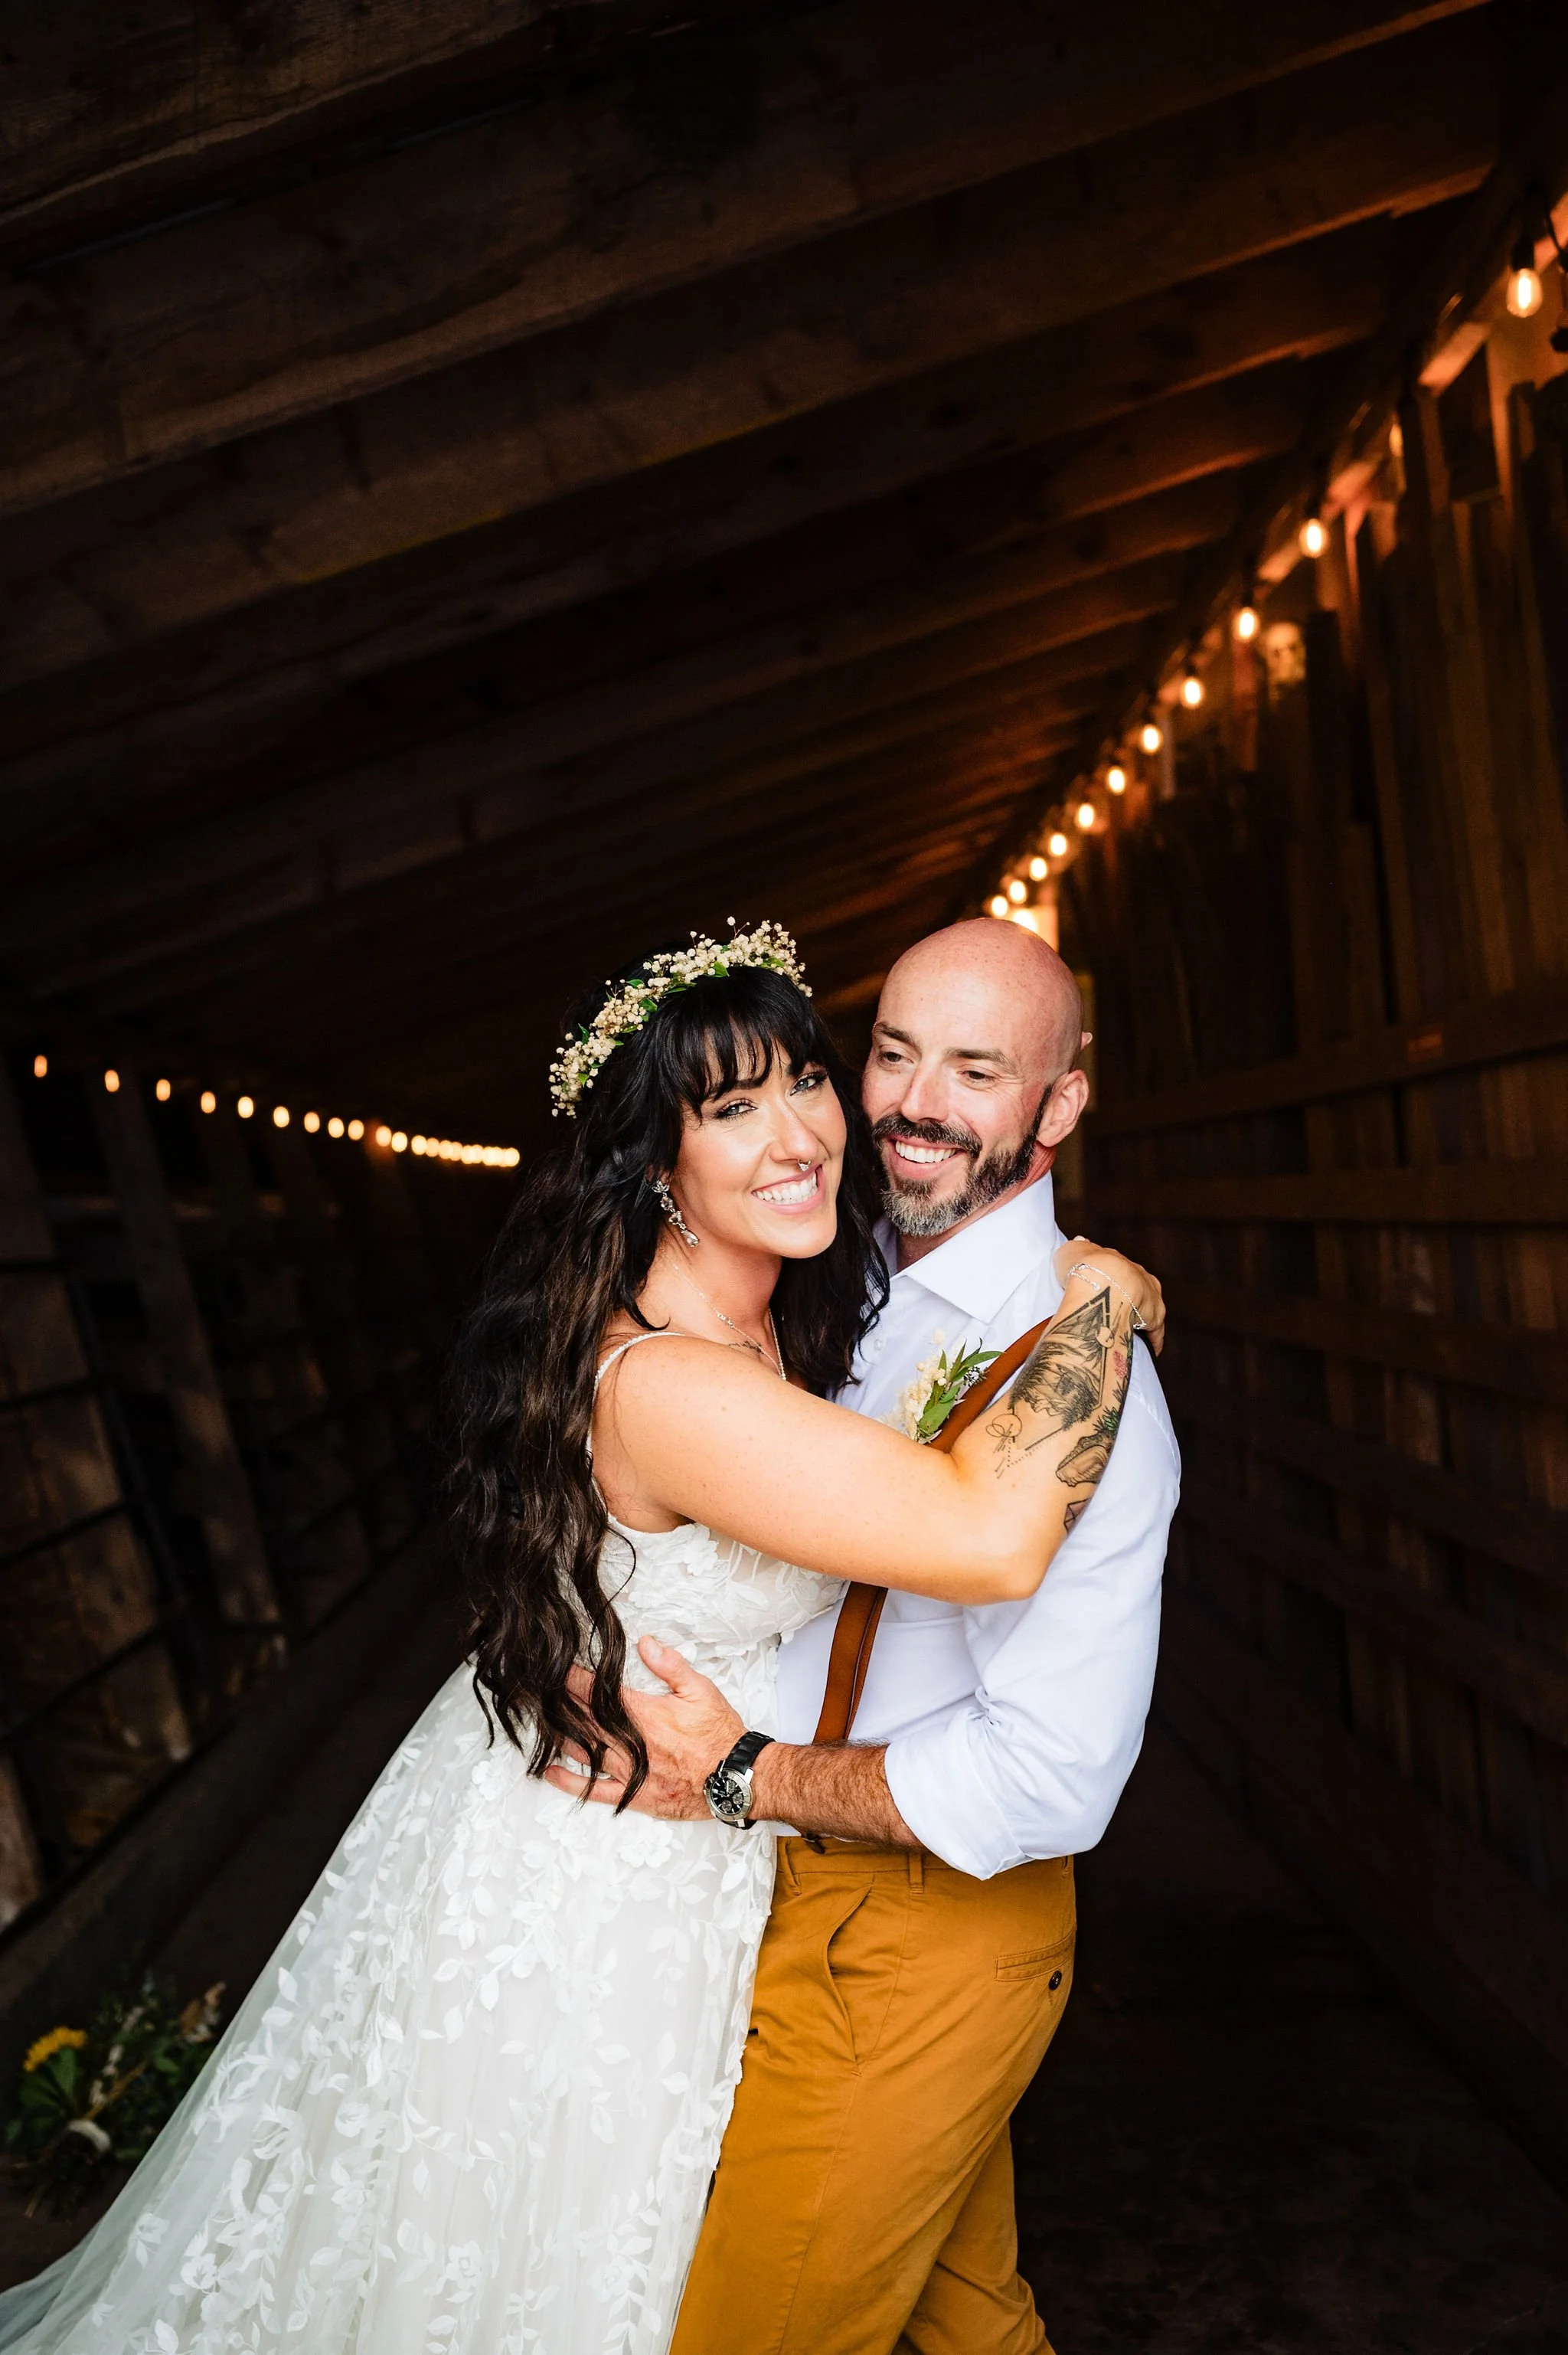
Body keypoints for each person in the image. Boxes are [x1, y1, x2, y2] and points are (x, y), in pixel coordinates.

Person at [0, 921, 1160, 2355]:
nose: (814, 1126)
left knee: (933, 2307)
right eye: (734, 1106)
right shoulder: (676, 1380)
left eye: (805, 1077)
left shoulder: (828, 1309)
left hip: (755, 1862)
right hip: (611, 1867)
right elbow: (985, 1532)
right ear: (652, 1160)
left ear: (1057, 1102)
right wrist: (1107, 1292)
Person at [559, 917, 1181, 2355]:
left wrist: (746, 1774)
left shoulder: (1082, 1379)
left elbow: (1052, 1777)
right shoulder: (843, 1282)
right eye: (891, 1053)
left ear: (1060, 1105)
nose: (912, 1103)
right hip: (784, 1886)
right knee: (973, 2324)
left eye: (976, 1070)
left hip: (921, 1930)